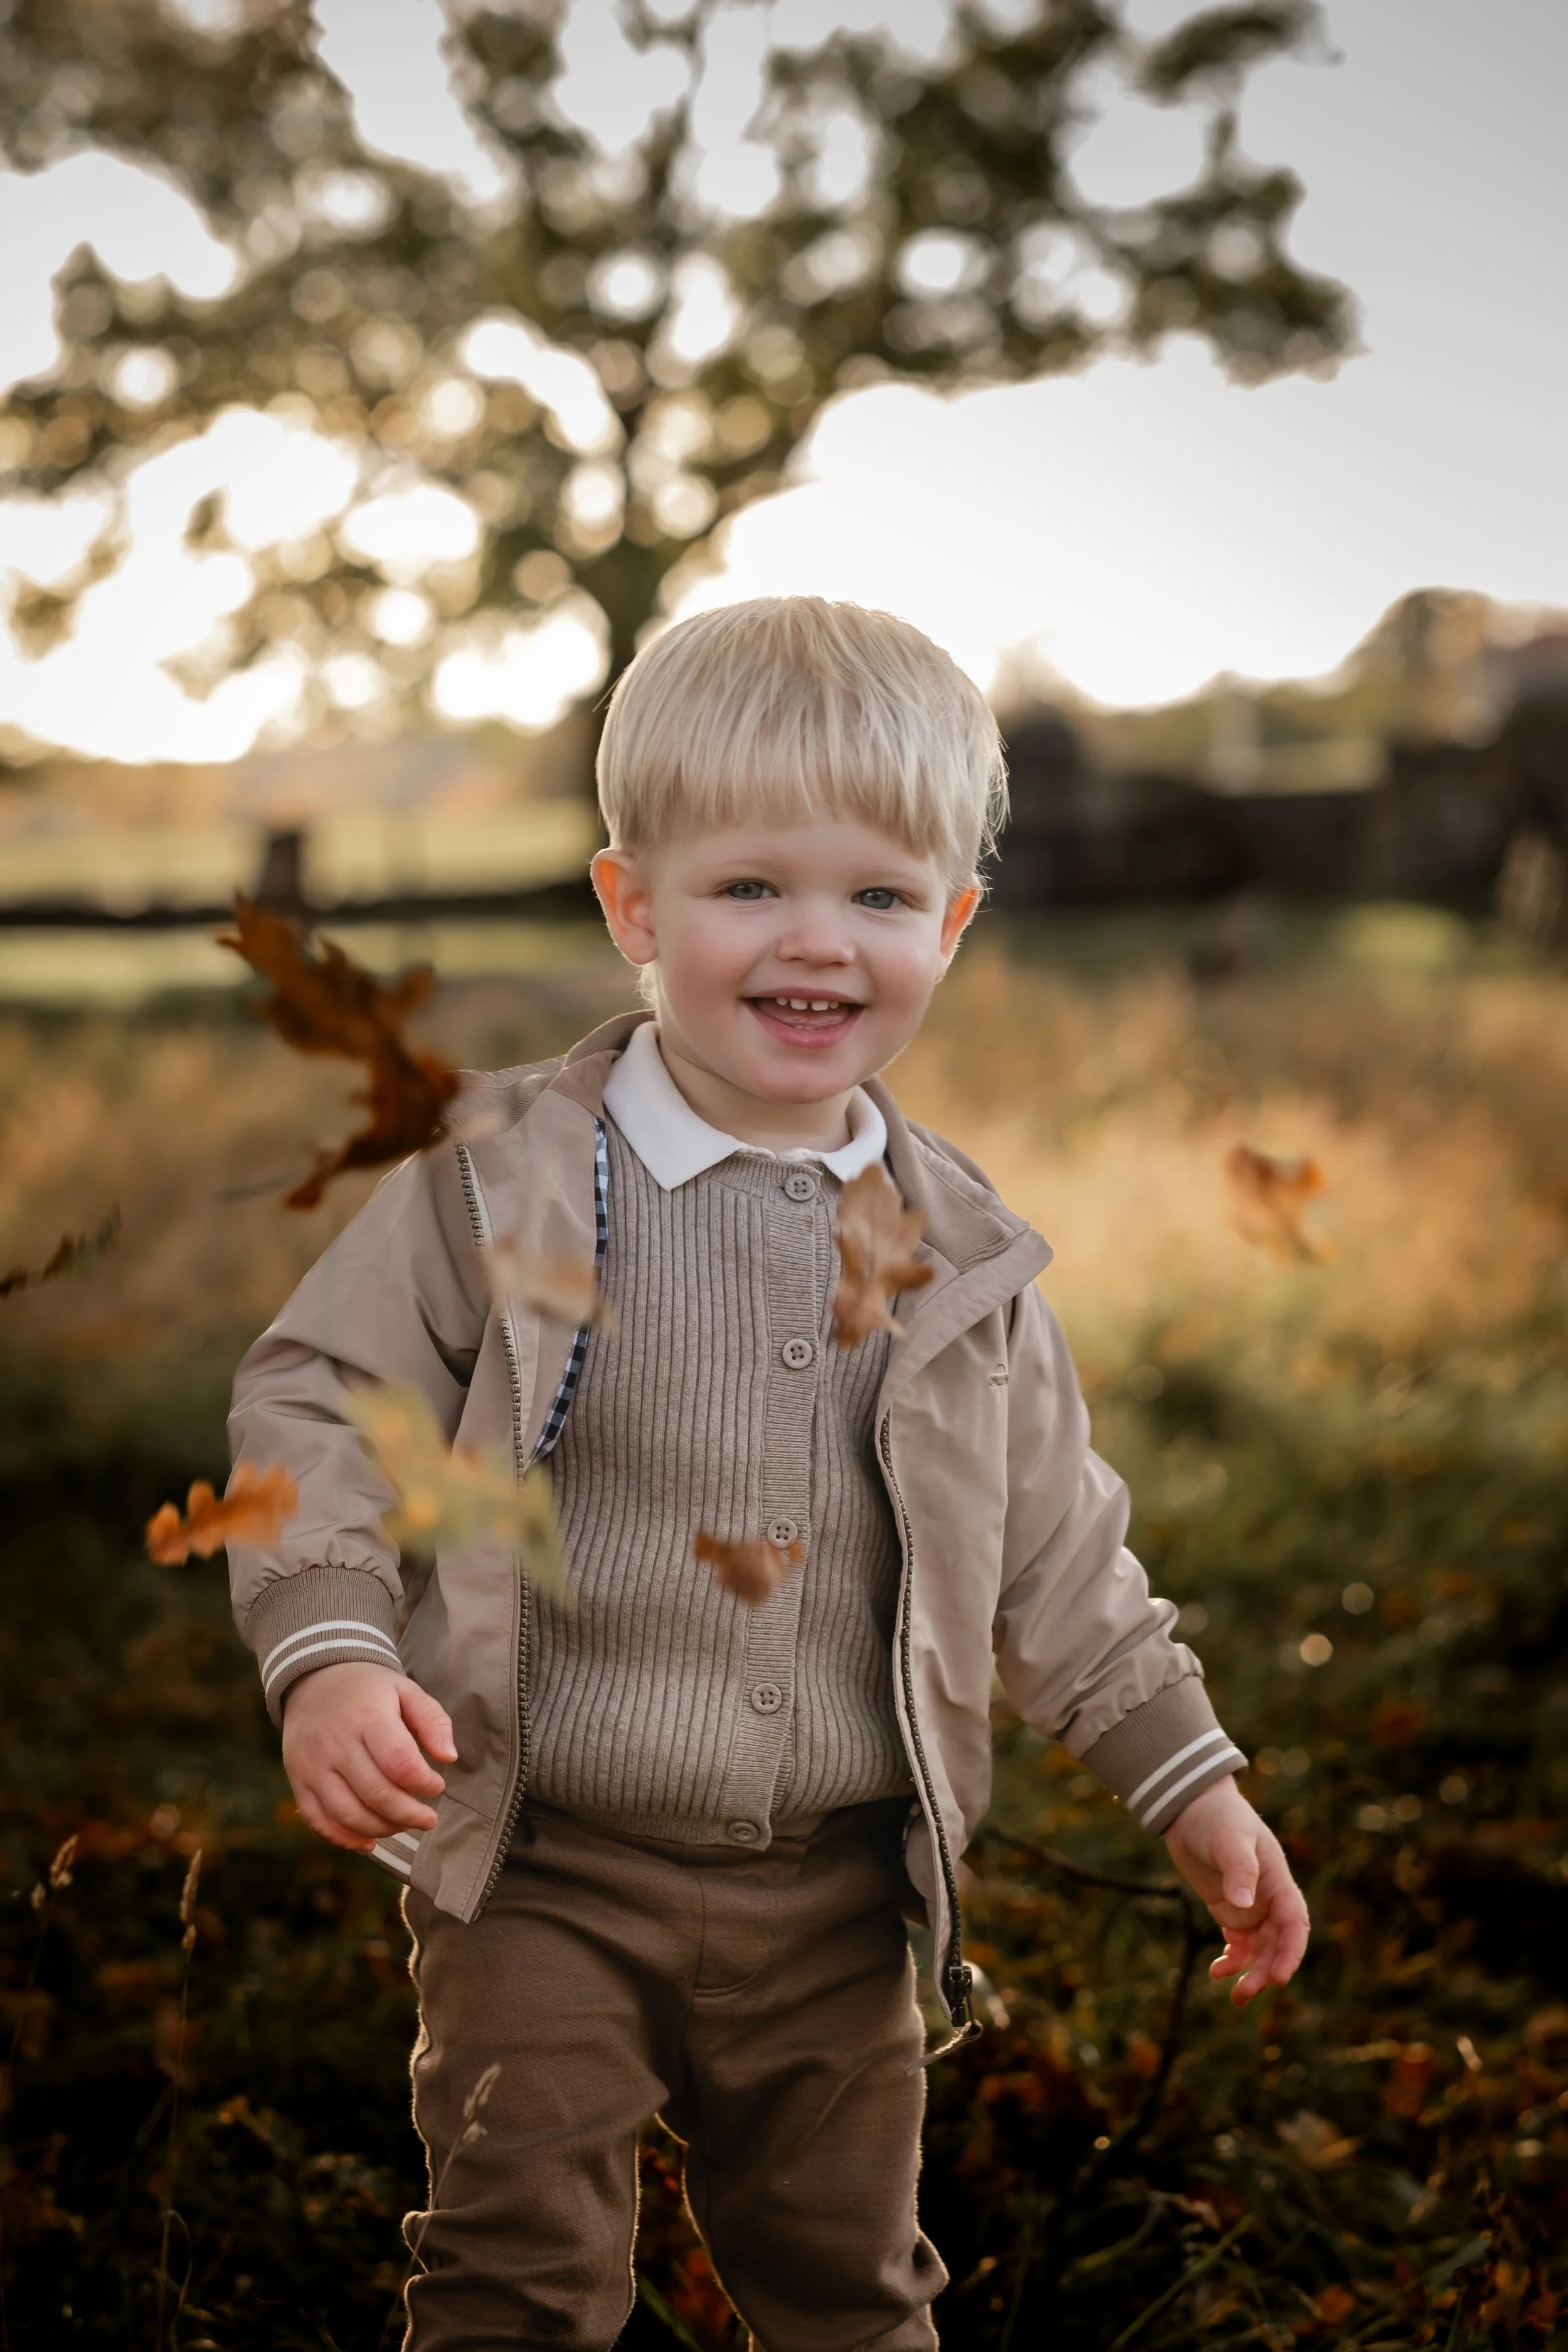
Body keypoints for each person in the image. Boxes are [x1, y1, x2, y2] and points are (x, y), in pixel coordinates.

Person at [227, 596, 1309, 2351]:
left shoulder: (952, 1255)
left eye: (879, 895)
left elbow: (1059, 1560)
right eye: (749, 887)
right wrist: (332, 1644)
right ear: (632, 904)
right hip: (547, 1865)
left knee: (849, 2291)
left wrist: (1188, 1781)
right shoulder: (508, 1183)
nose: (818, 941)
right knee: (512, 2279)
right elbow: (323, 1402)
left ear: (950, 920)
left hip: (832, 1896)